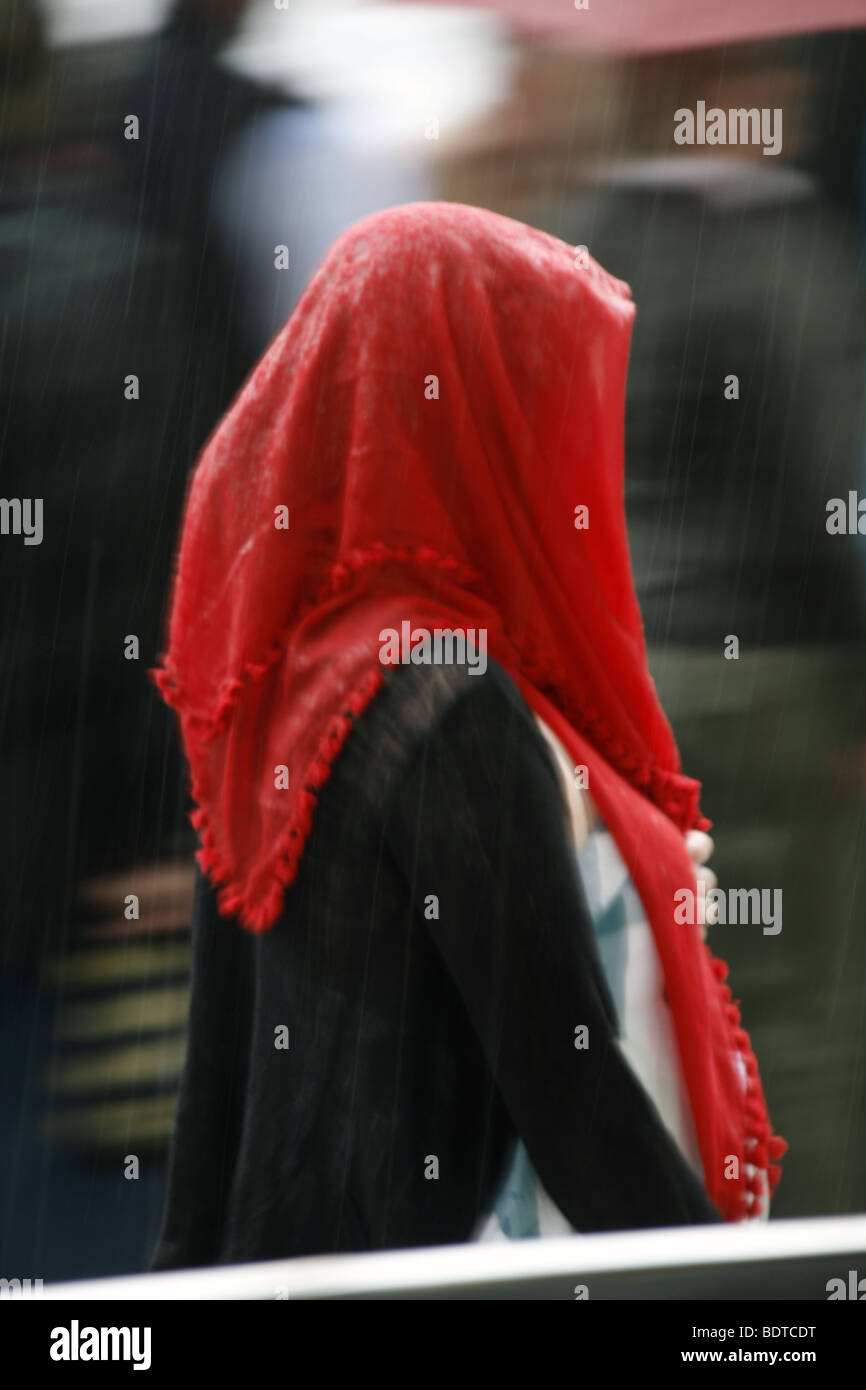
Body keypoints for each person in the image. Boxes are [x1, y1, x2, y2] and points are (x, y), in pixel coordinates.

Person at [148, 202, 784, 1267]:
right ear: (473, 420)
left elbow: (210, 1100)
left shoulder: (285, 670)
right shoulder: (444, 708)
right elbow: (579, 1110)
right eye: (540, 404)